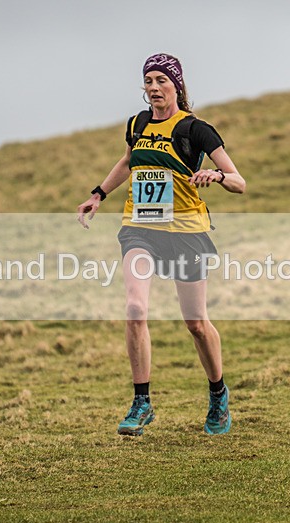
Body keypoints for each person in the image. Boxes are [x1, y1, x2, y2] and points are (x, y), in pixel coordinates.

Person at [77, 53, 246, 436]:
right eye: (148, 81)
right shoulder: (136, 124)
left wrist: (217, 175)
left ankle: (218, 394)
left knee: (196, 324)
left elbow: (240, 182)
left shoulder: (196, 129)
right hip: (141, 227)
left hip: (187, 232)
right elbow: (127, 161)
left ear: (177, 85)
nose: (153, 88)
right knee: (135, 307)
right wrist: (99, 193)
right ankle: (141, 402)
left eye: (161, 81)